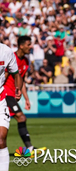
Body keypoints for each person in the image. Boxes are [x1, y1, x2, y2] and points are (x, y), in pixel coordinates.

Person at [4, 36, 46, 157]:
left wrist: (26, 99)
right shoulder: (11, 57)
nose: (30, 47)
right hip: (5, 94)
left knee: (13, 120)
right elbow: (4, 77)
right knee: (21, 118)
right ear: (21, 46)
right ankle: (30, 148)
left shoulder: (26, 61)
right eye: (28, 44)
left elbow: (20, 79)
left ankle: (30, 148)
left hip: (12, 94)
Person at [0, 42, 23, 171]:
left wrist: (17, 88)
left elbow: (16, 74)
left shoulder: (6, 51)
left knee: (1, 139)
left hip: (0, 100)